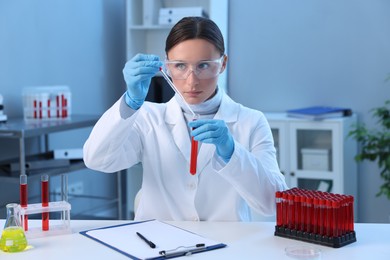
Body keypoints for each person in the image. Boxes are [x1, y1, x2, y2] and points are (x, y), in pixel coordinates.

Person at [83, 16, 287, 221]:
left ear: (223, 63)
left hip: (226, 246)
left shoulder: (251, 121)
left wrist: (232, 151)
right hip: (157, 244)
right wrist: (129, 103)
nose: (192, 81)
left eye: (204, 66)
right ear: (166, 66)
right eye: (180, 66)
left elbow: (274, 203)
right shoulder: (148, 118)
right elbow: (97, 160)